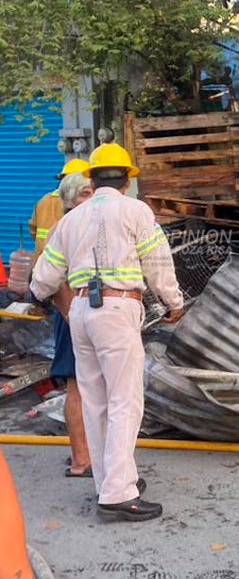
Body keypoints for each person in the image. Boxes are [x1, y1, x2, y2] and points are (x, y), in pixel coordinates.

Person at [30, 143, 185, 522]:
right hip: (117, 308)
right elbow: (157, 261)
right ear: (127, 178)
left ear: (93, 177)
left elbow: (43, 279)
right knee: (124, 400)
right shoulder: (135, 211)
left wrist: (36, 295)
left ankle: (109, 481)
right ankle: (118, 492)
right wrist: (173, 302)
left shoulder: (73, 218)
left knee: (96, 399)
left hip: (81, 311)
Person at [50, 170, 95, 479]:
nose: (90, 199)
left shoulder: (87, 227)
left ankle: (92, 454)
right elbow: (51, 281)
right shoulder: (64, 228)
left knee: (91, 388)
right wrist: (72, 316)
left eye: (93, 192)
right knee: (77, 387)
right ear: (69, 200)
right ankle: (81, 461)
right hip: (71, 316)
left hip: (85, 315)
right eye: (84, 194)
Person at [28, 158, 91, 255]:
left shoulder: (44, 200)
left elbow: (33, 229)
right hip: (64, 262)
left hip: (43, 260)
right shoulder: (81, 202)